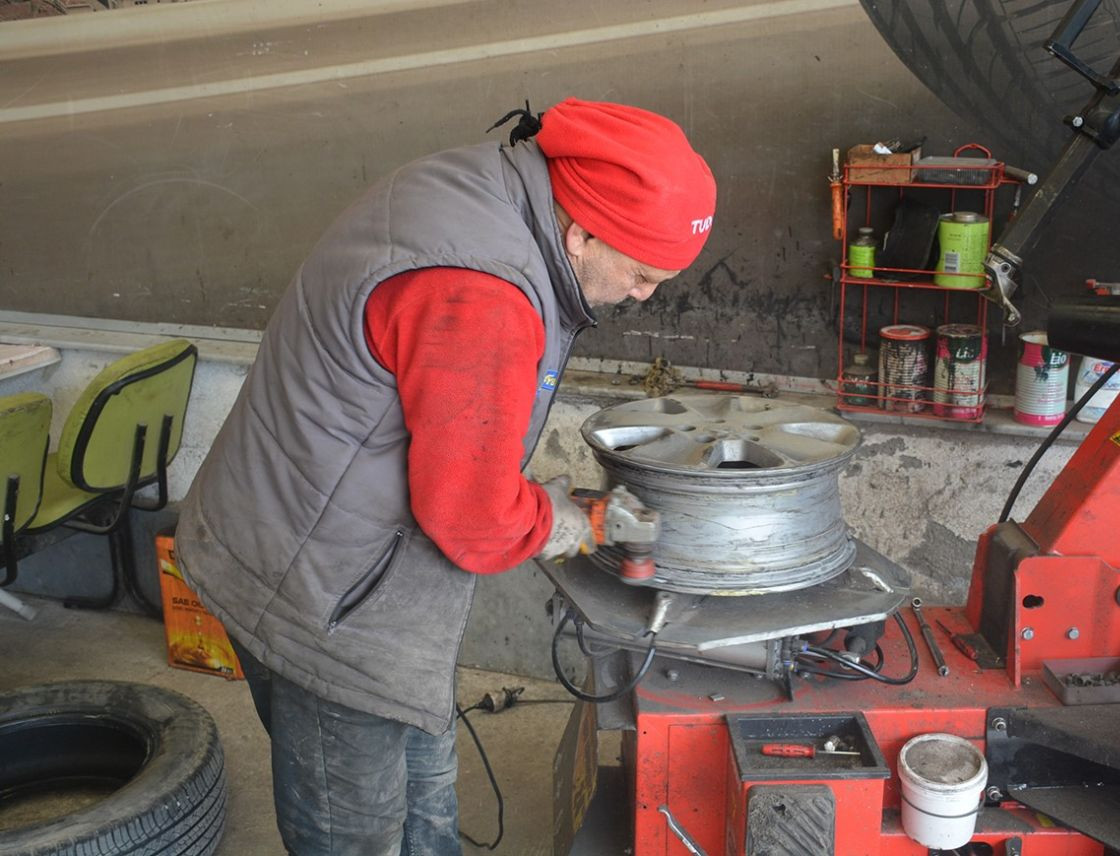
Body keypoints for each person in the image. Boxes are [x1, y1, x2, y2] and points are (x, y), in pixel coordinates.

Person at [175, 97, 716, 855]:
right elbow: (471, 519)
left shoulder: (482, 186)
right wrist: (566, 519)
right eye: (640, 274)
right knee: (353, 830)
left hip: (308, 529)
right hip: (320, 596)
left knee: (426, 783)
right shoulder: (483, 294)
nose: (643, 294)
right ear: (582, 229)